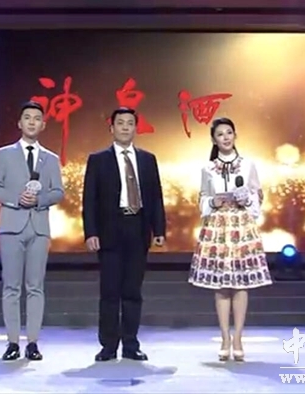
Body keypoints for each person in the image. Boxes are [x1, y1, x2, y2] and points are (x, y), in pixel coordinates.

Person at [82, 107, 167, 362]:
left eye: (130, 123)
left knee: (132, 291)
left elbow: (156, 197)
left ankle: (131, 344)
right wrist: (91, 232)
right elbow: (89, 200)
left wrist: (159, 229)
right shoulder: (98, 160)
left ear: (135, 128)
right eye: (120, 123)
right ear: (112, 128)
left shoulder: (147, 159)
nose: (125, 127)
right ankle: (108, 346)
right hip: (109, 231)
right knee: (110, 292)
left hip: (138, 228)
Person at [187, 117, 272, 362]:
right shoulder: (208, 168)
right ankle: (225, 337)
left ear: (235, 136)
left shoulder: (248, 165)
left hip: (241, 225)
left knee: (241, 284)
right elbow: (202, 199)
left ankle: (238, 338)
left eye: (229, 133)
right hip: (218, 227)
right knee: (222, 285)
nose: (225, 137)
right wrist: (212, 201)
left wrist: (248, 199)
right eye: (220, 134)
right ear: (214, 140)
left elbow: (258, 196)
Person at [0, 101, 64, 361]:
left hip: (39, 228)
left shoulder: (50, 159)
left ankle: (32, 342)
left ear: (43, 125)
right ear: (19, 123)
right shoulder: (4, 154)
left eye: (37, 118)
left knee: (35, 287)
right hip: (11, 226)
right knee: (11, 287)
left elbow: (58, 192)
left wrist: (39, 200)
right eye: (27, 117)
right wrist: (15, 199)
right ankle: (12, 342)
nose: (32, 122)